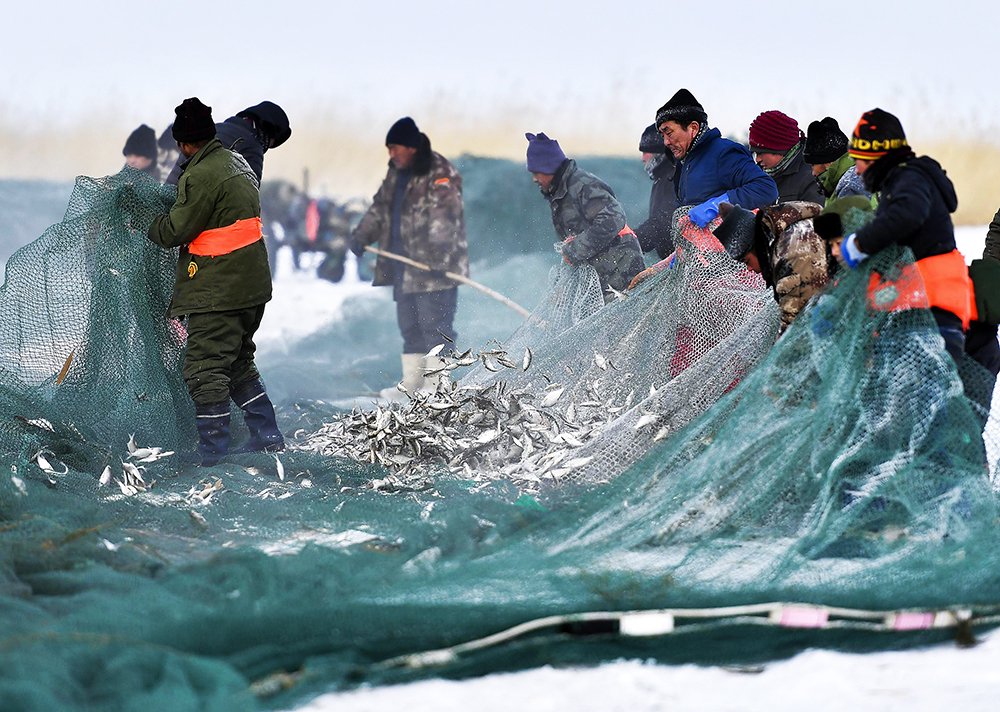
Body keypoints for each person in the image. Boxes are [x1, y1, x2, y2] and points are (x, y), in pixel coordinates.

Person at [147, 97, 283, 466]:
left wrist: (147, 221)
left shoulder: (200, 174)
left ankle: (213, 453)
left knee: (204, 367)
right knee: (237, 361)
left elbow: (176, 229)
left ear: (185, 144)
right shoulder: (238, 161)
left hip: (220, 291)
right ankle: (267, 436)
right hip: (251, 286)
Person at [830, 108, 972, 361]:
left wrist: (858, 244)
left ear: (877, 158)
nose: (858, 170)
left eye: (861, 160)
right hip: (925, 307)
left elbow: (907, 215)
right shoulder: (905, 181)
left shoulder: (909, 177)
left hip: (930, 310)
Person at [349, 117, 469, 400]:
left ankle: (437, 389)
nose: (391, 154)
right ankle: (413, 384)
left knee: (435, 328)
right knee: (410, 327)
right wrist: (361, 235)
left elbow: (445, 217)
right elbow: (380, 209)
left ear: (412, 147)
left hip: (433, 269)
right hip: (403, 268)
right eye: (389, 149)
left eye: (395, 148)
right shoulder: (395, 173)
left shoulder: (439, 171)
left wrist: (437, 258)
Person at [525, 131, 645, 302]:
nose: (534, 179)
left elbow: (613, 219)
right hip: (599, 275)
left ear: (549, 168)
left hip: (621, 271)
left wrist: (574, 250)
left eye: (536, 172)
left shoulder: (583, 185)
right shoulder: (560, 192)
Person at [655, 88, 778, 228]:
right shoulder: (686, 163)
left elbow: (766, 188)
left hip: (730, 247)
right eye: (662, 135)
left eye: (669, 132)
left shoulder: (724, 152)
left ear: (693, 128)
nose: (665, 142)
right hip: (698, 248)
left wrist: (717, 205)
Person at [714, 200, 828, 330]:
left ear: (755, 246)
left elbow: (793, 326)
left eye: (746, 261)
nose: (750, 269)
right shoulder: (789, 230)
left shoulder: (790, 254)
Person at [165, 100, 291, 185]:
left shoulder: (213, 129)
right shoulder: (252, 146)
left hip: (170, 204)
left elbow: (176, 174)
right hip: (199, 218)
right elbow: (248, 197)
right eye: (271, 143)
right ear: (268, 132)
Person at [748, 110, 825, 205]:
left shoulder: (813, 179)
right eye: (755, 153)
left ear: (780, 150)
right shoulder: (759, 177)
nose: (757, 159)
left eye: (761, 153)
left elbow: (815, 217)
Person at [802, 116, 871, 206]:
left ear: (828, 163)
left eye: (813, 164)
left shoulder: (850, 186)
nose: (813, 173)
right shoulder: (852, 178)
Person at [634, 123, 679, 259]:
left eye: (646, 152)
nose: (643, 158)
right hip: (673, 261)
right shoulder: (662, 178)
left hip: (682, 262)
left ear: (660, 154)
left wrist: (632, 240)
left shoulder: (672, 178)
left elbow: (663, 223)